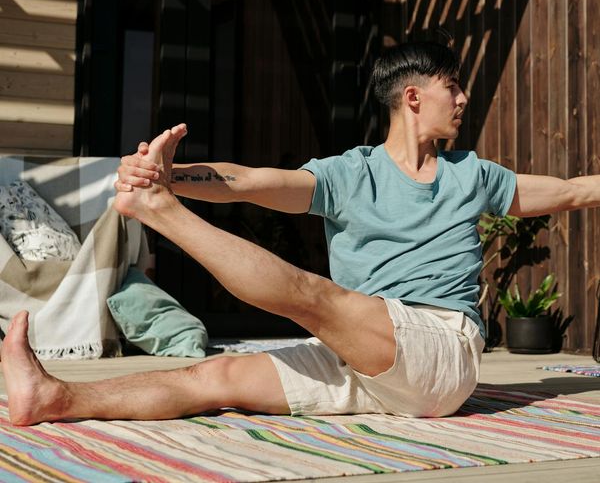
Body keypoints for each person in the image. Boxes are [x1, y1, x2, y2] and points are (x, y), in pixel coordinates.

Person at [2, 41, 599, 427]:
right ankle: (54, 399)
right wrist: (170, 174)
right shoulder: (349, 173)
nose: (465, 97)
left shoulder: (476, 176)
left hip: (442, 350)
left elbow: (572, 189)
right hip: (362, 357)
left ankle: (158, 211)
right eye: (454, 87)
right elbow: (247, 181)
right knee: (215, 377)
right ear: (414, 96)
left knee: (318, 297)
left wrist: (161, 191)